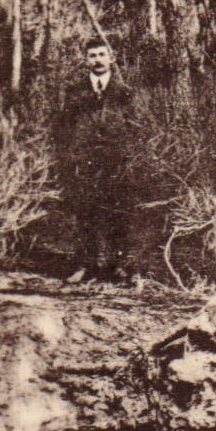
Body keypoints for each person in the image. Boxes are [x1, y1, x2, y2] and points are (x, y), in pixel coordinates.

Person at [55, 37, 137, 281]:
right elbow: (65, 126)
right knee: (85, 213)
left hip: (116, 160)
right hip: (85, 161)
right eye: (92, 55)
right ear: (85, 60)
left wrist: (126, 154)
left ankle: (120, 265)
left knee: (119, 212)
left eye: (102, 54)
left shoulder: (125, 92)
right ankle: (84, 265)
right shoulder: (75, 91)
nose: (98, 60)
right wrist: (71, 155)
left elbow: (134, 125)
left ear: (111, 58)